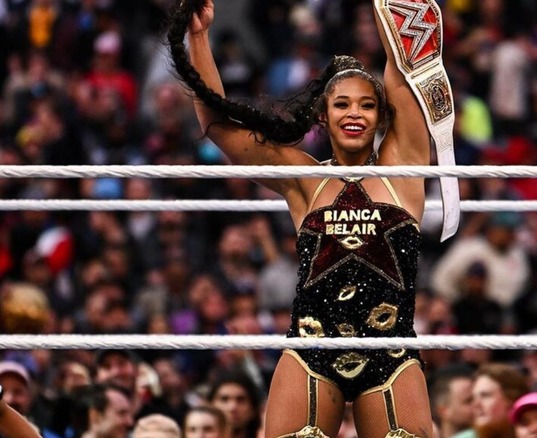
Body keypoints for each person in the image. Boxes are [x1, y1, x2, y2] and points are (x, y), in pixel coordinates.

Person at [167, 0, 444, 436]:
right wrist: (199, 36)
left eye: (367, 105)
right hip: (311, 348)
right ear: (323, 116)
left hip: (390, 351)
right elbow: (220, 127)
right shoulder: (305, 180)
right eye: (343, 105)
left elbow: (405, 57)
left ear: (381, 116)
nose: (354, 114)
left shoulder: (404, 169)